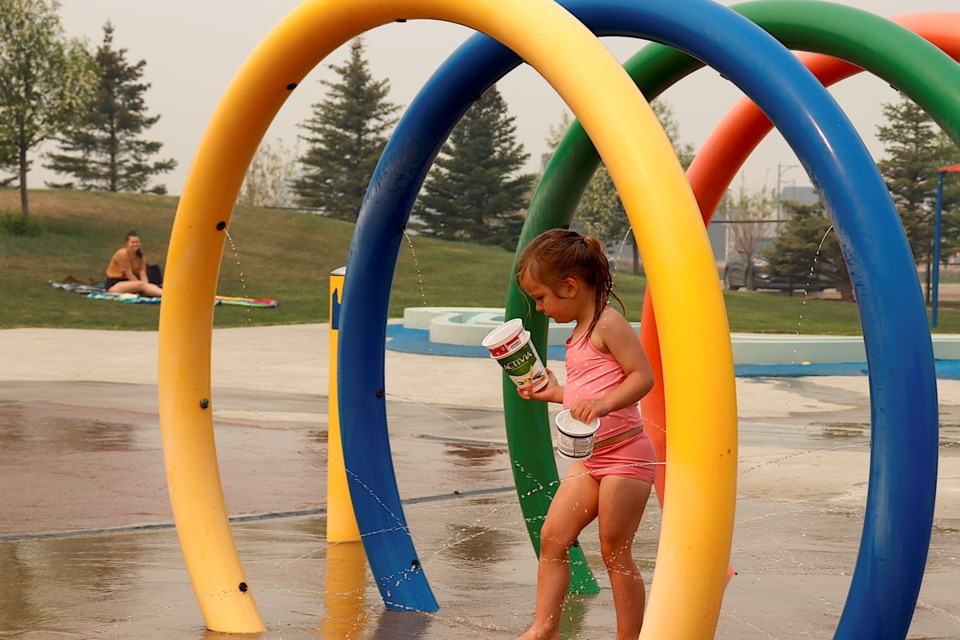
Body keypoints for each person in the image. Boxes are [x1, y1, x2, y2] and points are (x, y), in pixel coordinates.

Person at [515, 228, 656, 640]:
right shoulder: (575, 334)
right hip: (590, 459)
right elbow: (584, 393)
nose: (539, 308)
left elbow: (641, 377)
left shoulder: (608, 324)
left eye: (540, 297)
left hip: (627, 455)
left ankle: (629, 637)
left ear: (570, 286)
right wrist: (554, 393)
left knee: (614, 549)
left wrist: (605, 404)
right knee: (553, 538)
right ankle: (544, 628)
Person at [104, 231, 163, 298]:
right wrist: (143, 286)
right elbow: (129, 274)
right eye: (132, 242)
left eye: (137, 242)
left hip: (130, 283)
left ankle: (164, 294)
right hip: (114, 284)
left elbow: (142, 273)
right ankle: (166, 296)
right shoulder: (122, 254)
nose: (135, 244)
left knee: (147, 285)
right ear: (127, 243)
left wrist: (146, 286)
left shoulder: (140, 256)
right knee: (141, 285)